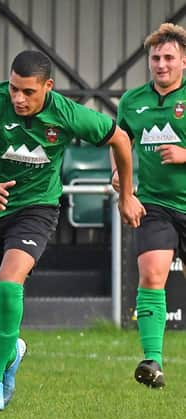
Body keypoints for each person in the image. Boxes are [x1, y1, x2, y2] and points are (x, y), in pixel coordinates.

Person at [0, 50, 145, 411]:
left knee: (10, 284)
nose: (18, 98)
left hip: (36, 209)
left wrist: (126, 195)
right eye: (13, 89)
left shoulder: (67, 113)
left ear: (47, 87)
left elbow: (120, 139)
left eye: (28, 92)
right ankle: (12, 350)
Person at [112, 22, 186, 389]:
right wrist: (119, 177)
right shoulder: (132, 101)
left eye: (169, 57)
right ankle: (152, 361)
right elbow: (119, 142)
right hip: (154, 203)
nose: (161, 64)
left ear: (183, 61)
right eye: (155, 57)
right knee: (152, 274)